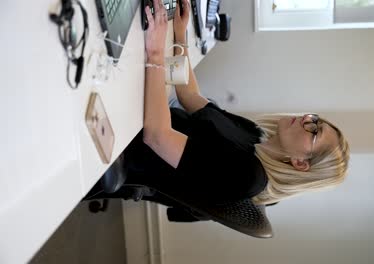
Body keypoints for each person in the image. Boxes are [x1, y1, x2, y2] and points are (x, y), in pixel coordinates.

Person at [85, 0, 349, 217]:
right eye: (315, 118)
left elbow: (157, 136)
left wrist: (156, 54)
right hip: (141, 114)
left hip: (125, 142)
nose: (306, 118)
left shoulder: (249, 177)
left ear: (301, 163)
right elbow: (189, 96)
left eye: (314, 130)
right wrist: (179, 36)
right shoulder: (255, 137)